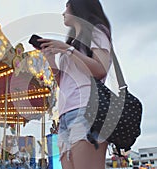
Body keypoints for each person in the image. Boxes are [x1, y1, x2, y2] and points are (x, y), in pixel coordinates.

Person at [38, 0, 112, 168]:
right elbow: (62, 83)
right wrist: (51, 58)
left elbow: (100, 69)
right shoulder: (72, 43)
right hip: (65, 115)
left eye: (67, 6)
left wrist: (67, 50)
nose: (63, 12)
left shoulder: (97, 32)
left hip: (86, 109)